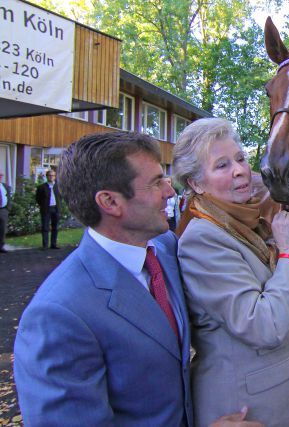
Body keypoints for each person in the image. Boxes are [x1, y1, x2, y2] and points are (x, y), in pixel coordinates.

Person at [14, 132, 261, 427]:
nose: (170, 192)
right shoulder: (58, 316)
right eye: (156, 182)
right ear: (110, 202)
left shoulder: (166, 249)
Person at [172, 118, 289, 427]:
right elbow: (263, 325)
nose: (239, 170)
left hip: (279, 399)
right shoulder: (202, 239)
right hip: (247, 411)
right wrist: (288, 251)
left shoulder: (246, 223)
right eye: (221, 165)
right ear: (196, 184)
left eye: (240, 159)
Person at [35, 169, 61, 249]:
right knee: (45, 227)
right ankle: (45, 245)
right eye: (50, 175)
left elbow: (60, 198)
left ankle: (53, 244)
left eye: (53, 175)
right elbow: (38, 199)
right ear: (47, 177)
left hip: (55, 209)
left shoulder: (58, 187)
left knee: (55, 227)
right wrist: (43, 205)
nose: (51, 177)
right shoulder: (41, 187)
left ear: (55, 177)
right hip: (46, 209)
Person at [0, 172, 9, 253]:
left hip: (3, 210)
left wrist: (7, 209)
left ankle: (1, 246)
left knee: (2, 229)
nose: (0, 177)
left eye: (1, 175)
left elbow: (8, 197)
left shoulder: (5, 186)